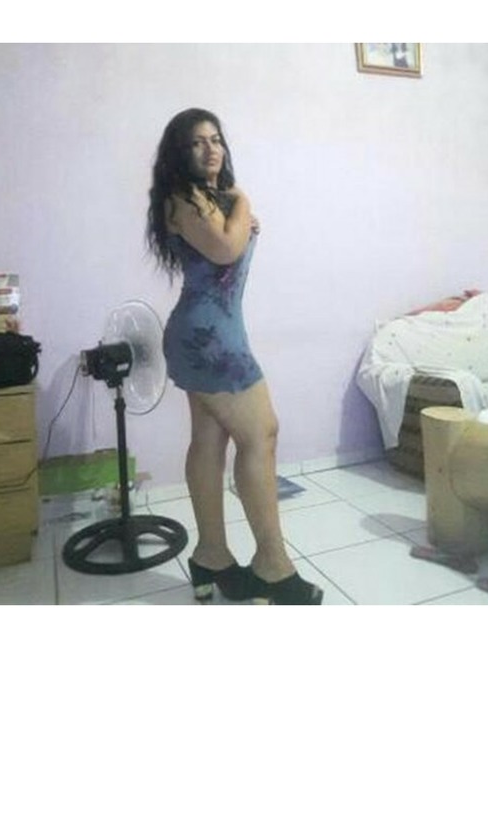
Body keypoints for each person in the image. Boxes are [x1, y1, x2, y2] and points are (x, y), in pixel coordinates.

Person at [146, 108, 323, 604]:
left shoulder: (207, 198)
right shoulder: (185, 197)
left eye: (217, 139)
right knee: (261, 433)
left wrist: (235, 210)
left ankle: (212, 556)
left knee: (210, 439)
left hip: (211, 333)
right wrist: (243, 202)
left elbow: (226, 240)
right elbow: (225, 249)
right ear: (179, 152)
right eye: (197, 142)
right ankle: (273, 566)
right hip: (209, 341)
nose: (211, 149)